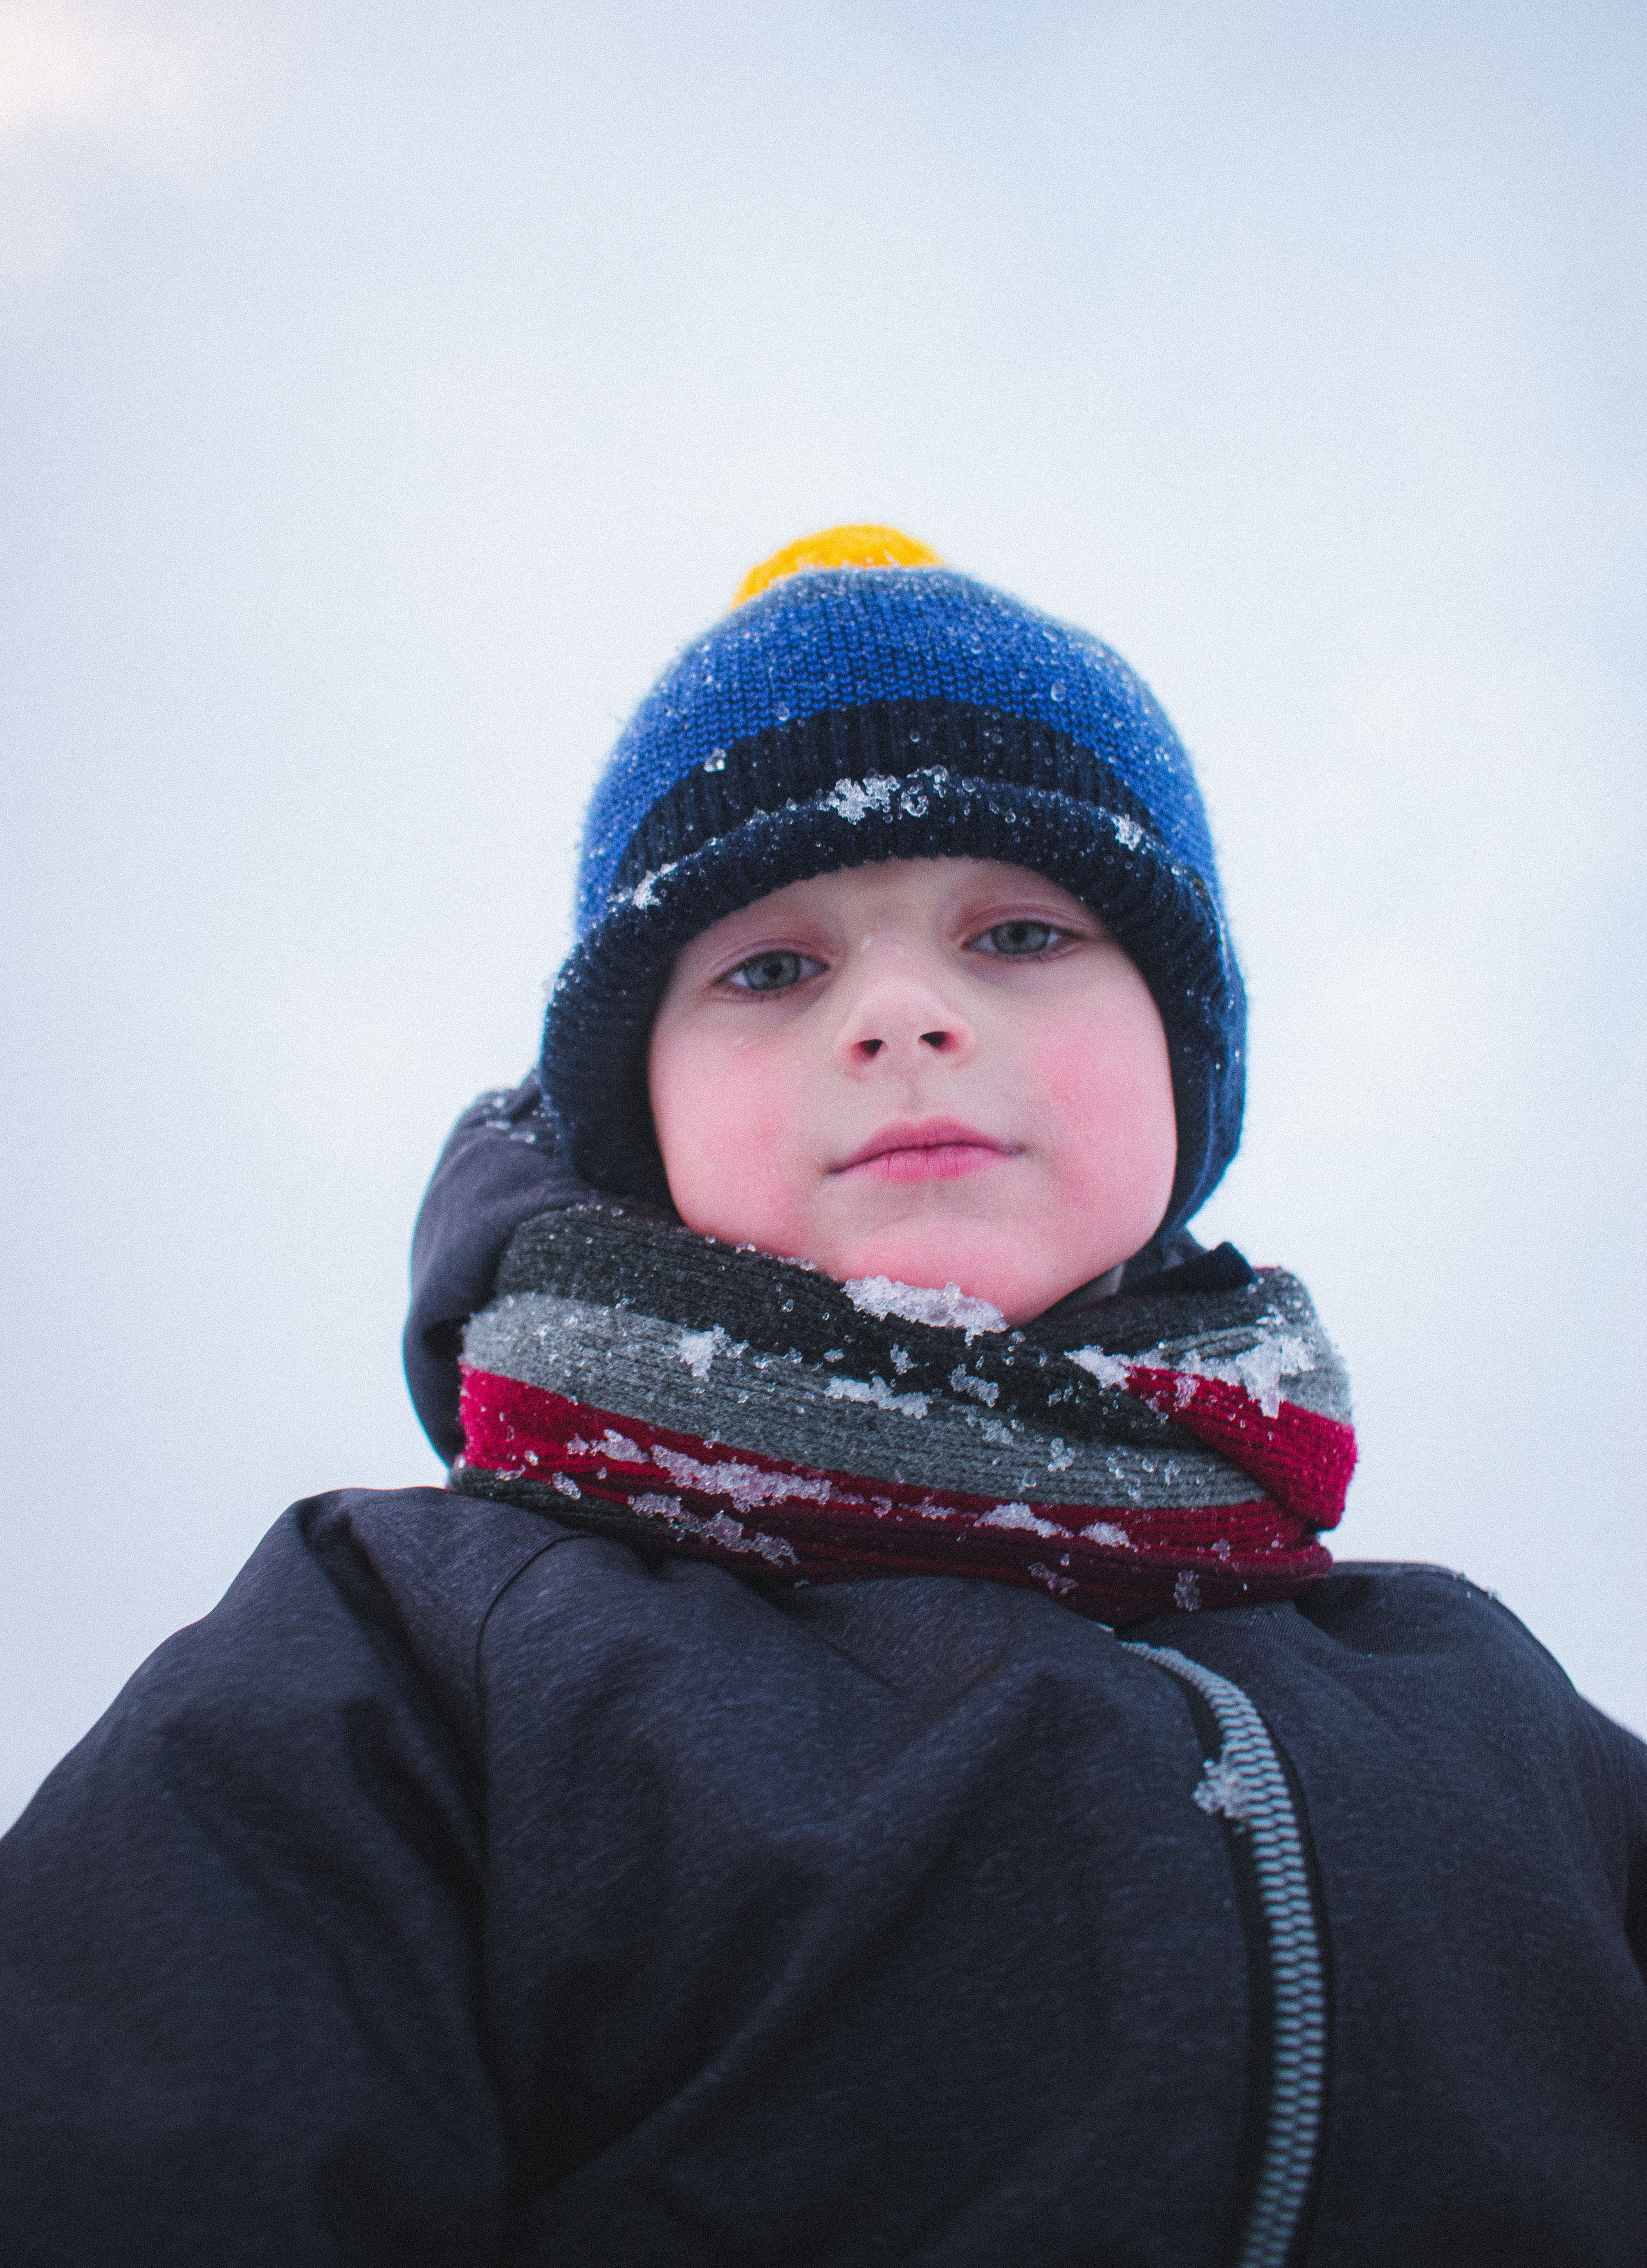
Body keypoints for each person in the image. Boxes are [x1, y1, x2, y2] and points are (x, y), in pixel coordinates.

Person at [2, 527, 1643, 2266]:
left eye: (1020, 929)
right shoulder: (402, 1664)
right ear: (639, 1112)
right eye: (771, 968)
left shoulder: (1497, 1716)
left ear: (1184, 1050)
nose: (908, 1013)